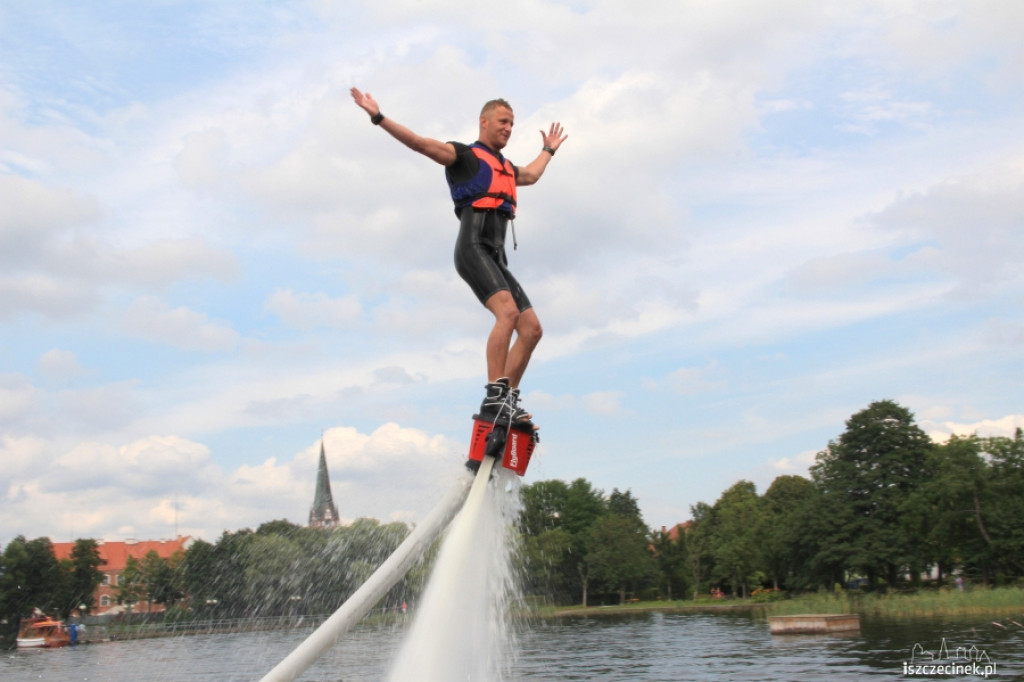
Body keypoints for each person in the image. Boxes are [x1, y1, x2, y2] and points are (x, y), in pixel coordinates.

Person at [350, 88, 567, 428]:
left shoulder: (508, 168)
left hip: (496, 255)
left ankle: (506, 400)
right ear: (484, 122)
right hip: (472, 247)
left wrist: (548, 150)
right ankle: (495, 398)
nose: (509, 128)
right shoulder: (464, 155)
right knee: (507, 313)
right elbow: (420, 144)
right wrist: (378, 117)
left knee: (532, 329)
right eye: (503, 121)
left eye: (512, 124)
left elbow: (533, 175)